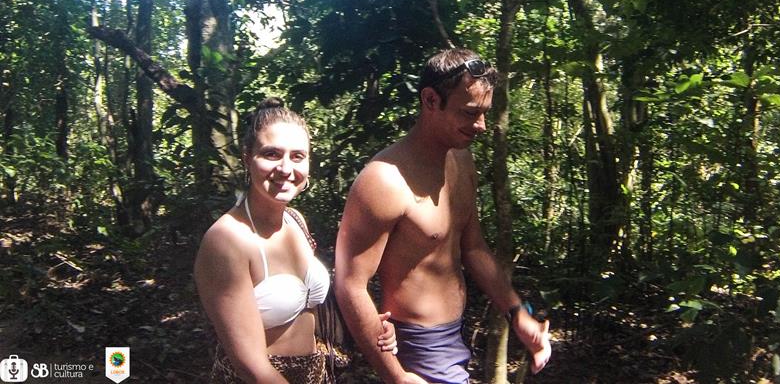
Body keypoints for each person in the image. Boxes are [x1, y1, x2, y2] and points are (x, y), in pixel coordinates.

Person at [334, 48, 551, 384]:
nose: (480, 126)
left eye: (484, 113)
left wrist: (517, 312)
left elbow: (473, 247)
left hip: (454, 337)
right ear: (431, 100)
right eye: (469, 113)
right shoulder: (383, 181)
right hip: (418, 347)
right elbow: (350, 285)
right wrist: (397, 376)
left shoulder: (461, 161)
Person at [195, 97, 398, 384]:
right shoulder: (226, 242)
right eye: (272, 154)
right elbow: (251, 367)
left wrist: (371, 326)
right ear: (247, 157)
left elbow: (312, 311)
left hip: (315, 372)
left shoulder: (295, 220)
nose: (286, 168)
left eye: (297, 156)